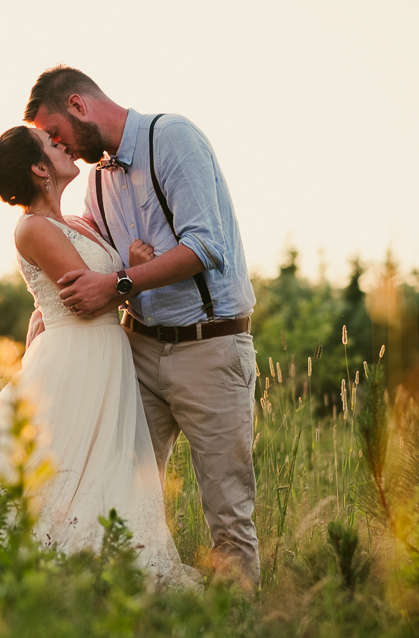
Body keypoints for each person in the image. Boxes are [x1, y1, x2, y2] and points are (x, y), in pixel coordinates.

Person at [0, 125, 201, 592]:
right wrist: (134, 270)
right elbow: (87, 298)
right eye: (51, 146)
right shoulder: (32, 228)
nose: (62, 145)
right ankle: (47, 574)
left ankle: (101, 570)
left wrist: (126, 270)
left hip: (103, 357)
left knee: (104, 465)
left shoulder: (75, 223)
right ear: (40, 170)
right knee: (64, 466)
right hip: (73, 361)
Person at [24, 66, 260, 588]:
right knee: (117, 496)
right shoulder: (98, 183)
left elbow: (205, 248)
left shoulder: (173, 138)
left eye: (56, 134)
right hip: (136, 355)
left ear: (80, 106)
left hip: (209, 350)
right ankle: (124, 628)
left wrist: (120, 284)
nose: (57, 147)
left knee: (227, 510)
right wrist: (49, 315)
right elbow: (91, 268)